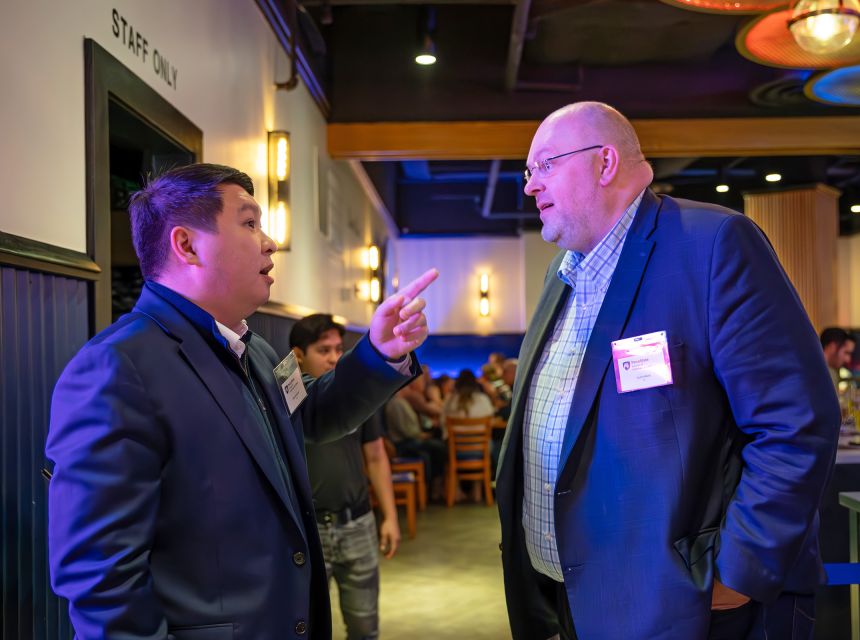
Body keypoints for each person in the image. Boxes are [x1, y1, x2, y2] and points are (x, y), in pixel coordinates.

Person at [46, 163, 437, 639]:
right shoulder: (116, 366)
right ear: (187, 245)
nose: (270, 242)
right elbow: (101, 577)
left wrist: (379, 353)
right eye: (250, 223)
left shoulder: (257, 347)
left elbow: (309, 416)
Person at [496, 102, 840, 640]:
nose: (529, 187)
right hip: (576, 602)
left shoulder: (713, 244)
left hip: (693, 607)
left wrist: (740, 573)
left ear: (605, 162)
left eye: (544, 166)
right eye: (527, 172)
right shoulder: (560, 277)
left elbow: (795, 422)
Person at [290, 313, 400, 640]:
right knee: (306, 626)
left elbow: (376, 456)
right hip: (308, 531)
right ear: (298, 355)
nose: (335, 358)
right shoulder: (285, 400)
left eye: (339, 349)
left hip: (357, 524)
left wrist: (390, 516)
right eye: (324, 350)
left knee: (365, 629)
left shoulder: (356, 396)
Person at [443, 368, 496, 502]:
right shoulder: (483, 400)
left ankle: (457, 490)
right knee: (489, 445)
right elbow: (491, 423)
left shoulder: (450, 401)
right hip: (480, 451)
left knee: (446, 448)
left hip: (457, 452)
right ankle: (477, 491)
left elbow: (443, 427)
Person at [821, 326, 856, 391]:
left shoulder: (832, 373)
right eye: (846, 352)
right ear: (832, 347)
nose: (848, 359)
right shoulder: (819, 373)